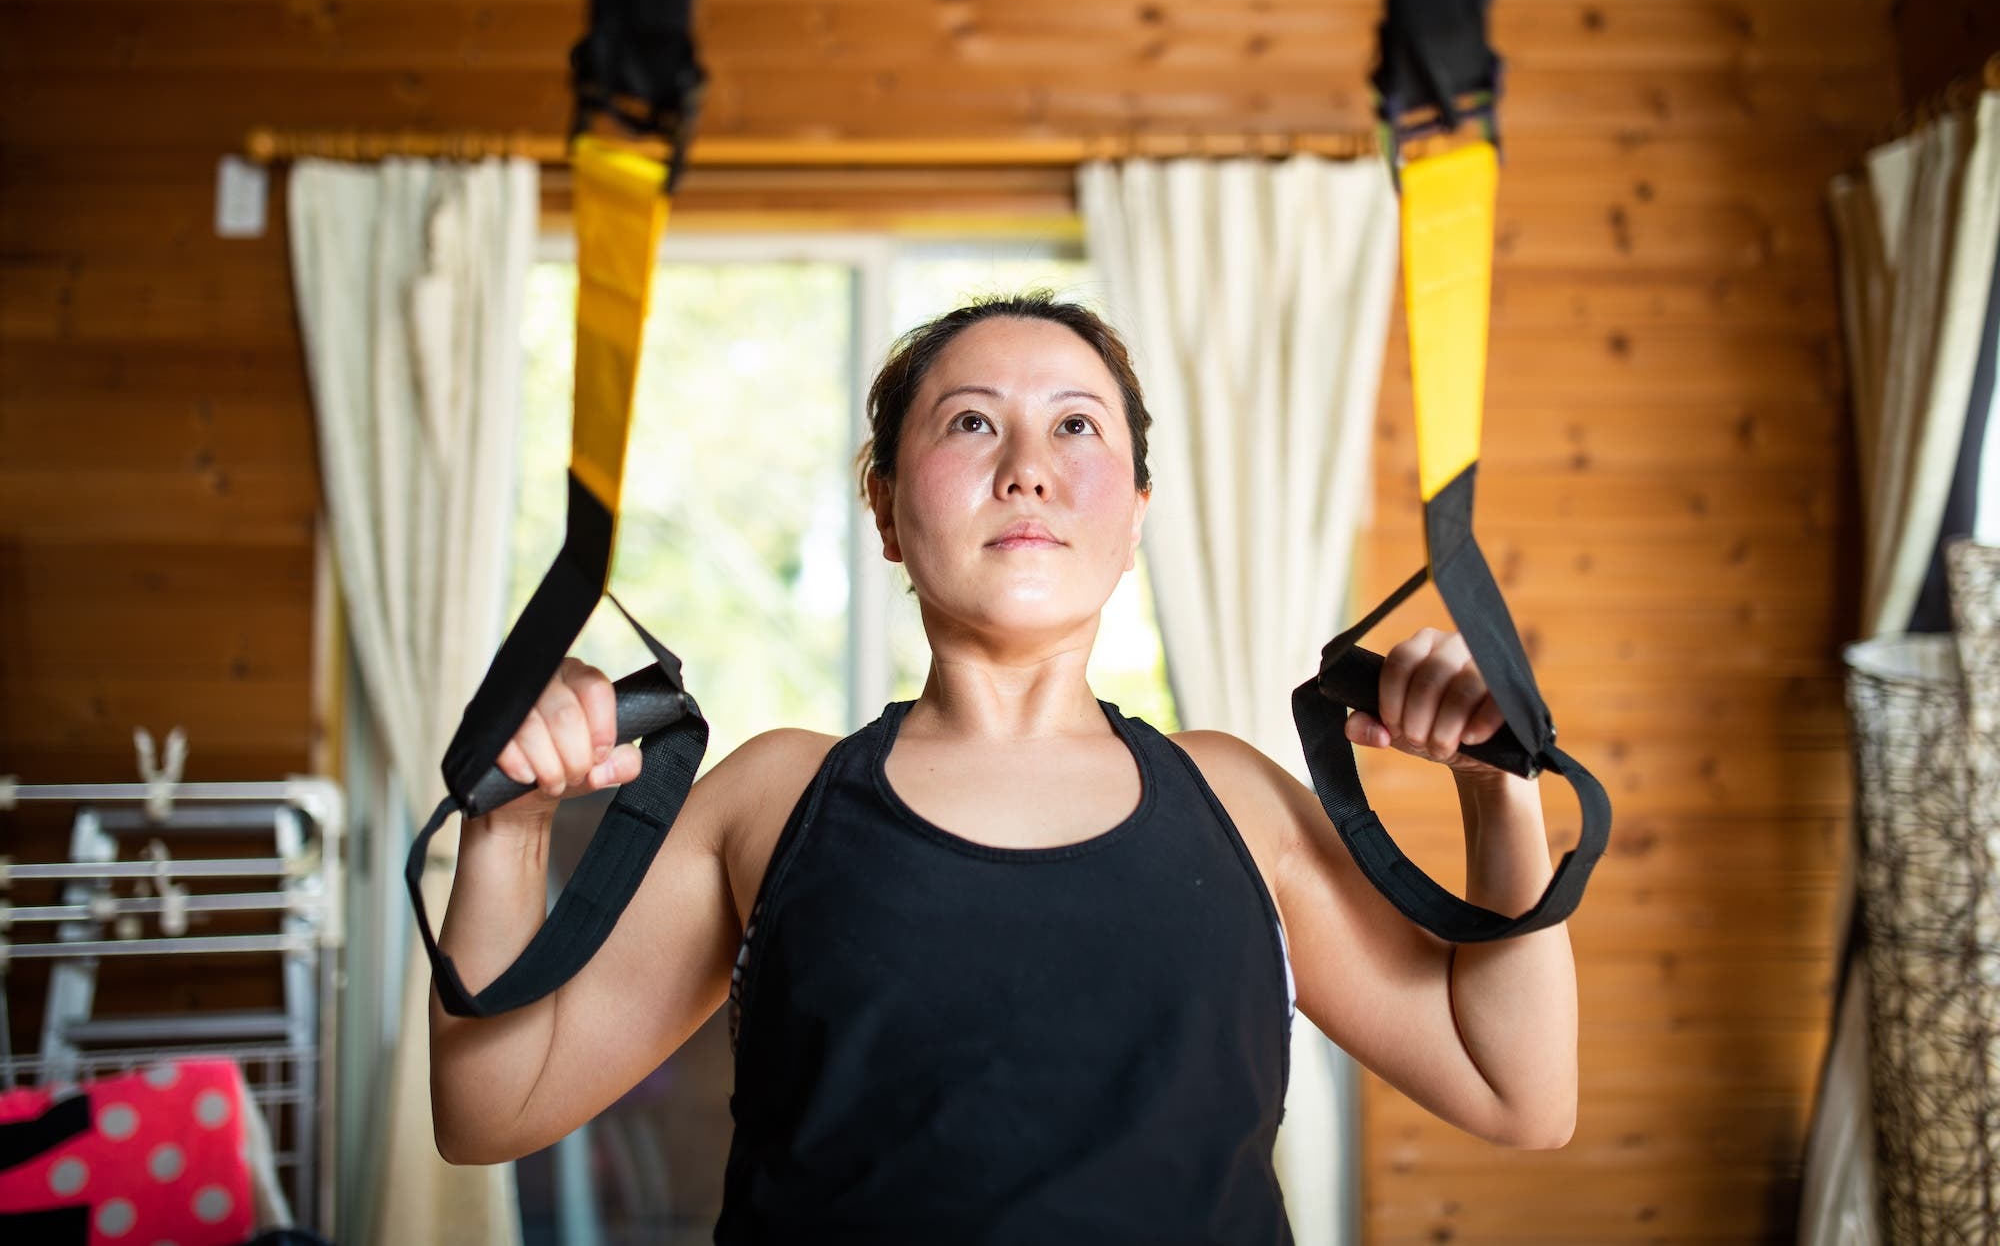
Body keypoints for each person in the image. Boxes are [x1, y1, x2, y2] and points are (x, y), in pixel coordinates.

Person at [428, 293, 1576, 1241]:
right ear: (882, 506)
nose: (1027, 467)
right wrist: (512, 825)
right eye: (971, 423)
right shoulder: (775, 798)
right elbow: (490, 1107)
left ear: (1132, 516)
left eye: (1077, 427)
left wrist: (1495, 792)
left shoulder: (1234, 801)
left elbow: (1515, 1089)